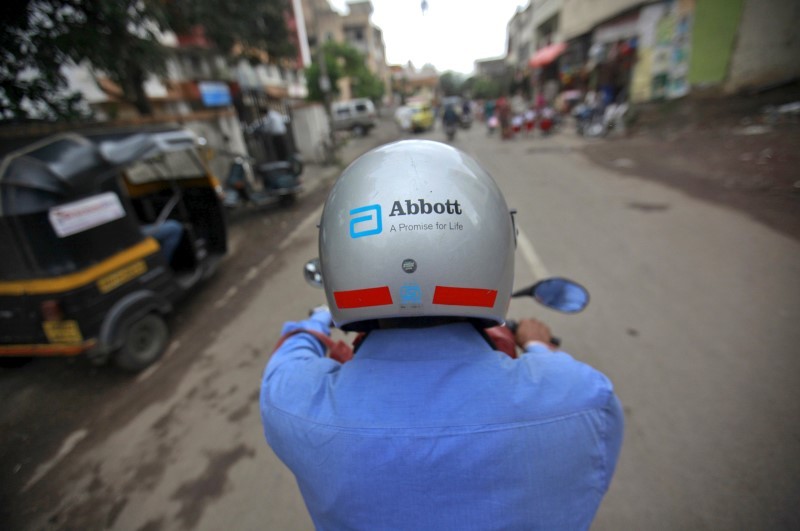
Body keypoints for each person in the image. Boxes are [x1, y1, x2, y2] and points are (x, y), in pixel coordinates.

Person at [260, 140, 624, 530]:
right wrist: (538, 345)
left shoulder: (292, 405)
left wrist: (319, 318)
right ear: (497, 243)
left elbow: (292, 352)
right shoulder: (586, 400)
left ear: (340, 255)